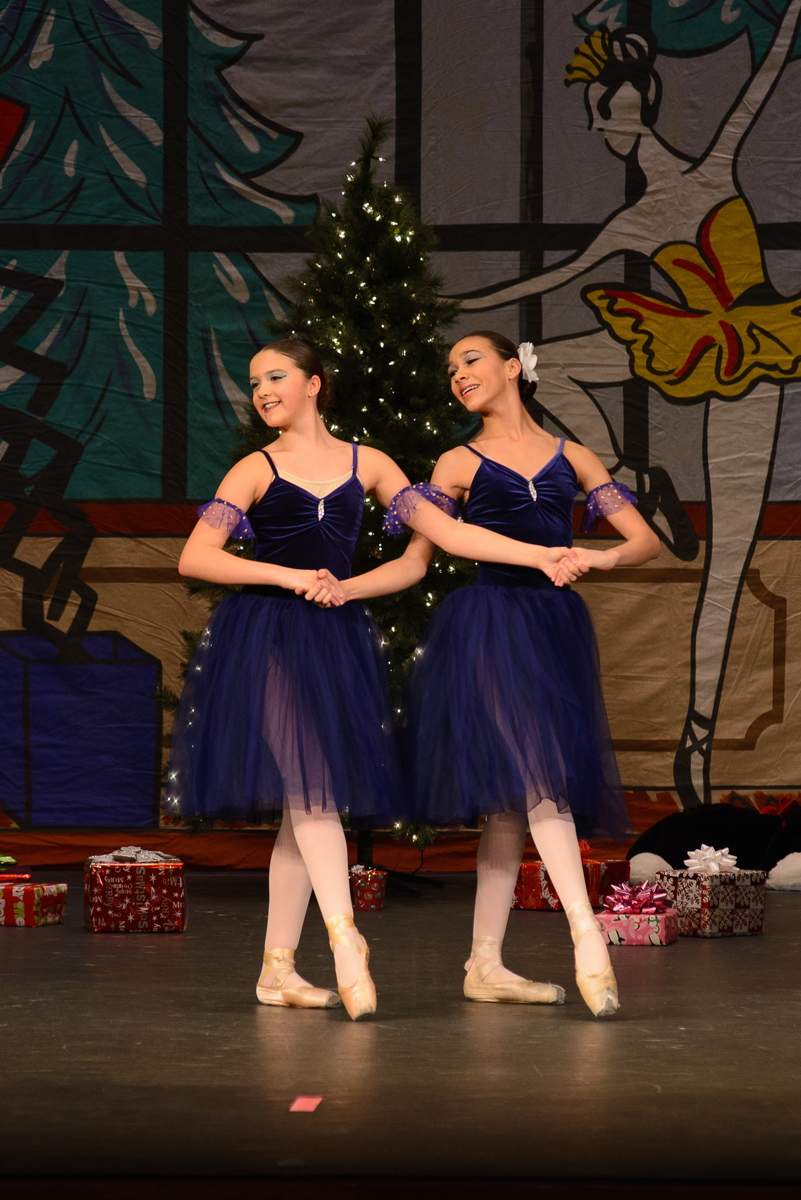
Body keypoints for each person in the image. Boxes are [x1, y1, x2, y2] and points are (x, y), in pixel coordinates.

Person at [167, 338, 583, 1020]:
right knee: (313, 789)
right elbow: (196, 557)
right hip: (265, 635)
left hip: (333, 638)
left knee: (303, 804)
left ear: (313, 384)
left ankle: (277, 970)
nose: (262, 390)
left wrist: (540, 556)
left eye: (276, 376)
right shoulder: (254, 468)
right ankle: (345, 940)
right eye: (255, 380)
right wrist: (288, 576)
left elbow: (438, 545)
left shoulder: (372, 464)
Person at [455, 2, 801, 806]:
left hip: (752, 343)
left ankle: (695, 747)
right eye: (596, 117)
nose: (603, 128)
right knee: (541, 363)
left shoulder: (712, 169)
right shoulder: (633, 218)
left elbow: (759, 82)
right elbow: (546, 279)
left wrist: (787, 14)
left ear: (637, 103)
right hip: (689, 337)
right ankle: (630, 477)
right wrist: (457, 303)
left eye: (609, 110)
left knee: (728, 560)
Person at [387, 331, 660, 1017]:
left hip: (553, 624)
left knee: (512, 802)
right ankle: (587, 936)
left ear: (513, 366)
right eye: (450, 368)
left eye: (470, 360)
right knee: (538, 774)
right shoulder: (457, 461)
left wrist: (594, 557)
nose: (458, 374)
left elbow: (643, 541)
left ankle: (484, 963)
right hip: (490, 624)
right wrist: (341, 587)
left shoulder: (574, 456)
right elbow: (426, 552)